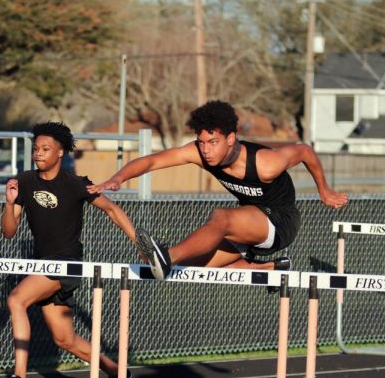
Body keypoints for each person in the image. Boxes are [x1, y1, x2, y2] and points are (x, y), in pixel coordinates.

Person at [88, 100, 349, 279]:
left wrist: (323, 190)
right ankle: (271, 268)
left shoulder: (265, 164)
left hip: (279, 221)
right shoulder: (198, 152)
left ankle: (167, 255)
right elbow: (153, 160)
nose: (206, 150)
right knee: (188, 269)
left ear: (231, 139)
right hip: (247, 221)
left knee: (219, 219)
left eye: (213, 143)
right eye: (201, 142)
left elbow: (304, 150)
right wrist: (118, 177)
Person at [0, 121, 137, 378]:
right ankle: (118, 373)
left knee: (17, 300)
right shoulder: (24, 182)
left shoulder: (74, 183)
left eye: (46, 149)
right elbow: (8, 233)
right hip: (43, 264)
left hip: (67, 263)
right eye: (36, 149)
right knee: (65, 340)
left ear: (60, 153)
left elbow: (112, 209)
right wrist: (9, 204)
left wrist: (139, 244)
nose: (39, 154)